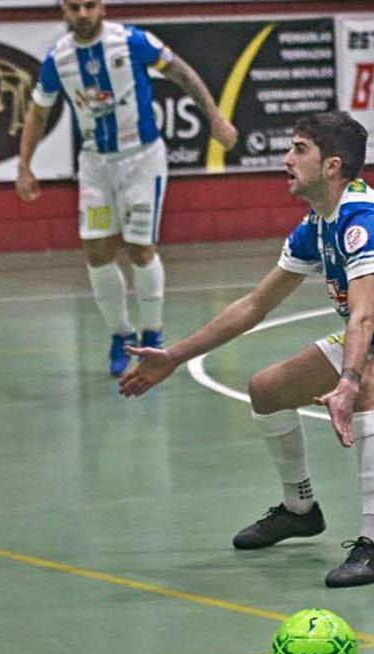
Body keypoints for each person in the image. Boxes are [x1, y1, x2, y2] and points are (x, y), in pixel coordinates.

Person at [119, 111, 374, 588]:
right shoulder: (316, 225)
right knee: (267, 389)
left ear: (332, 166)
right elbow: (254, 304)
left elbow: (363, 314)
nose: (286, 159)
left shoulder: (363, 221)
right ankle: (299, 509)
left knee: (371, 387)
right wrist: (174, 355)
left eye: (299, 150)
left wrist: (348, 382)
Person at [16, 0, 238, 377]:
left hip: (141, 160)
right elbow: (39, 111)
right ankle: (121, 335)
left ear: (102, 7)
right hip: (95, 165)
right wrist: (24, 165)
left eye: (89, 5)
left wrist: (215, 118)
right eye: (74, 7)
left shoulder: (132, 41)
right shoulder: (58, 60)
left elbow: (181, 72)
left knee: (140, 248)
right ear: (63, 11)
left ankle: (152, 336)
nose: (82, 14)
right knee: (97, 252)